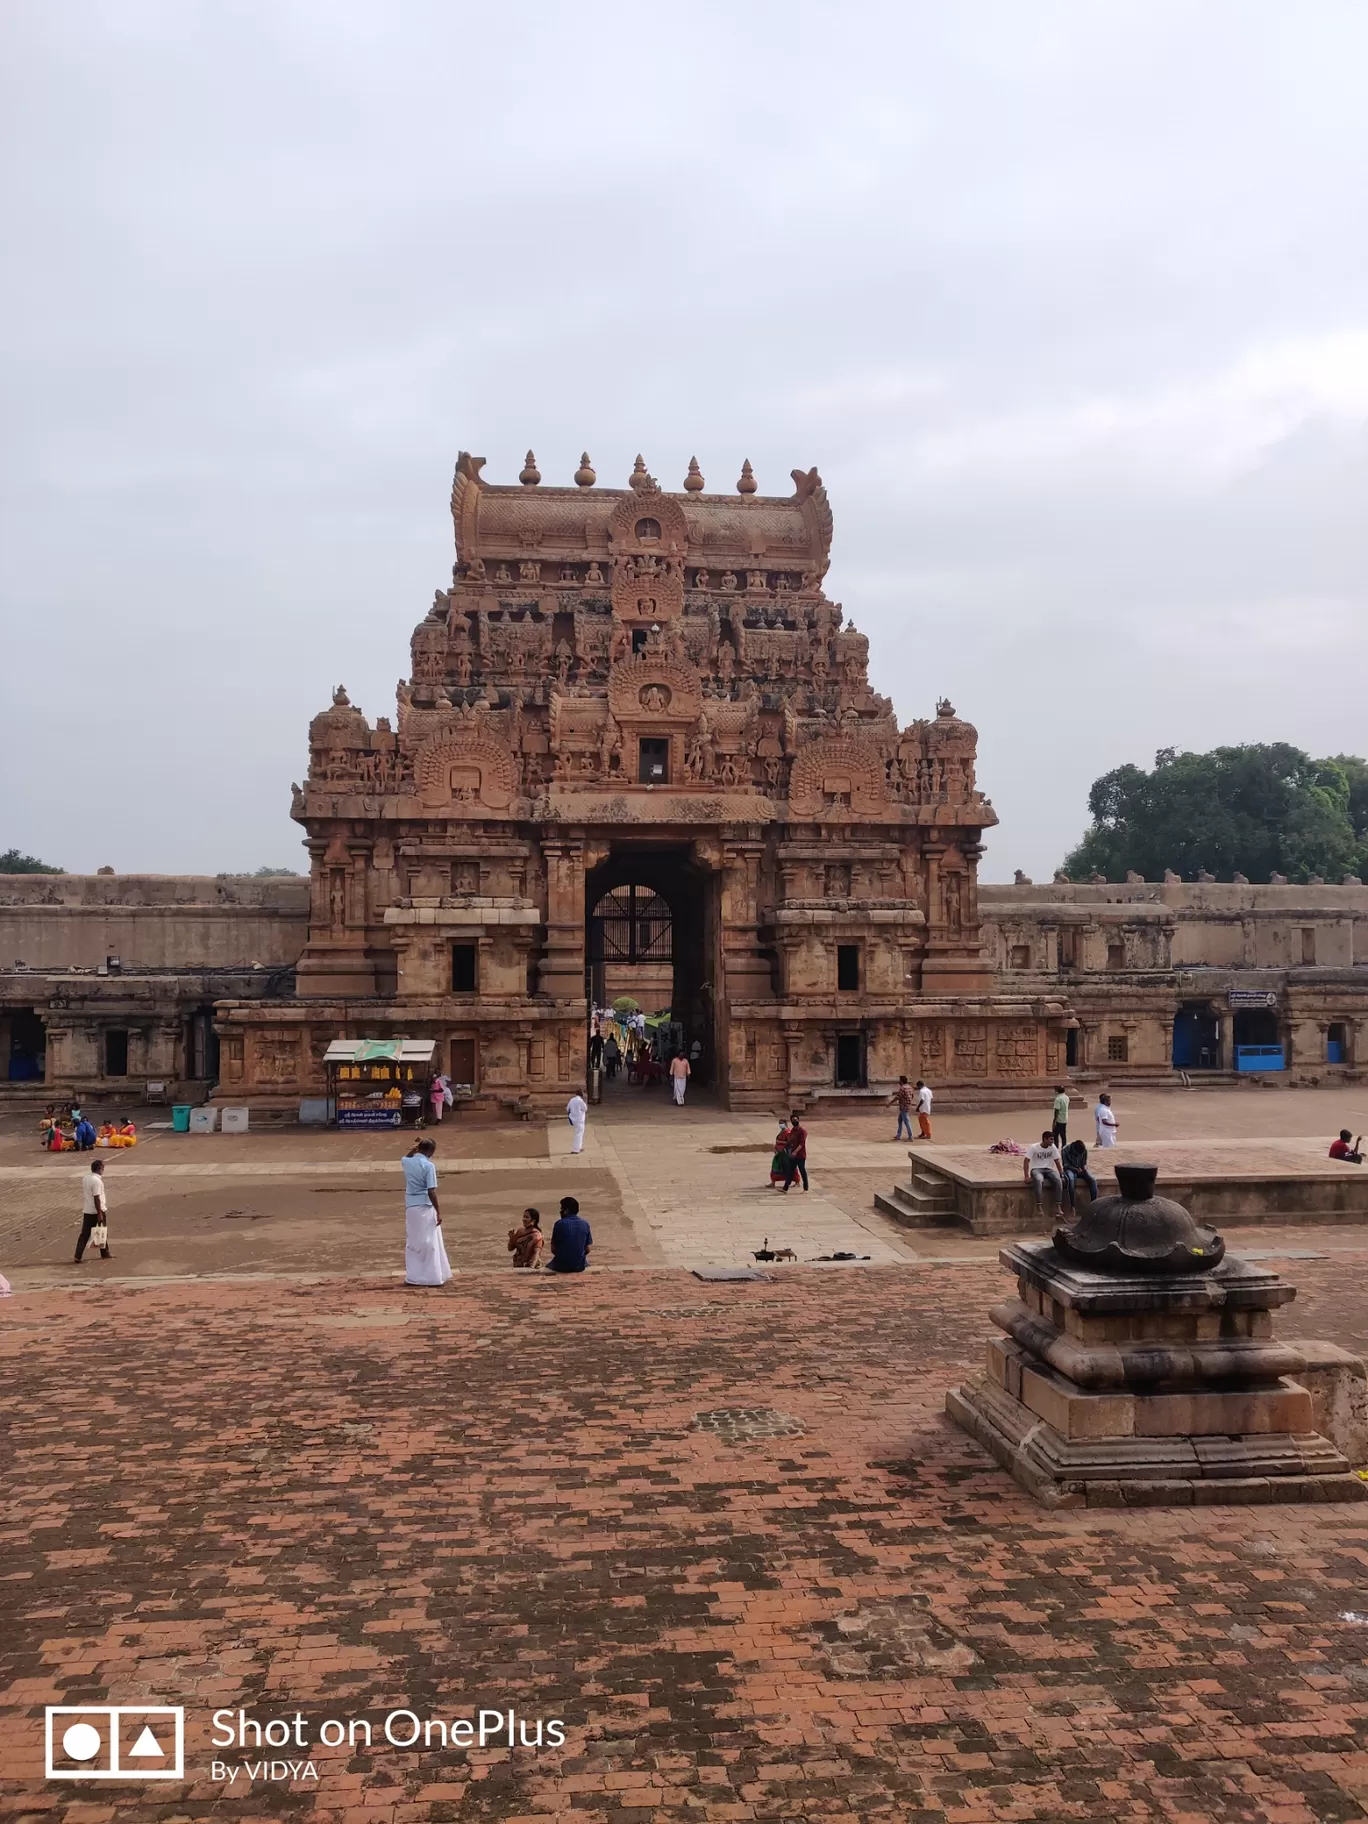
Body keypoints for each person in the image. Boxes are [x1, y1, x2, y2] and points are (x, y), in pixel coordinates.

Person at [401, 1138, 451, 1287]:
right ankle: (433, 1276)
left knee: (413, 1242)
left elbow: (407, 1157)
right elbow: (431, 1191)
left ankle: (414, 1276)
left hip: (411, 1207)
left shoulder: (407, 1162)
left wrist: (415, 1148)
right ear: (431, 1151)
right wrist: (438, 1211)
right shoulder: (429, 1166)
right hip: (425, 1206)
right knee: (430, 1242)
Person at [75, 1158, 112, 1261]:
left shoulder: (86, 1178)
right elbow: (97, 1197)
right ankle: (105, 1253)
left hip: (87, 1210)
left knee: (85, 1234)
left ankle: (78, 1255)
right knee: (102, 1230)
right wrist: (99, 1213)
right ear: (100, 1168)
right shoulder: (97, 1181)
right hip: (96, 1210)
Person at [548, 1195, 593, 1273]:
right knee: (586, 1262)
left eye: (561, 1209)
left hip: (561, 1266)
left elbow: (553, 1249)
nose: (560, 1211)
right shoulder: (585, 1224)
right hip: (579, 1266)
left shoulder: (559, 1224)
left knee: (548, 1266)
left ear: (566, 1210)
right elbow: (588, 1249)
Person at [1023, 1130, 1063, 1214]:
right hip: (1036, 1169)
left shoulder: (1052, 1147)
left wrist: (1061, 1174)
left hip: (1048, 1169)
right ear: (1045, 1139)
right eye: (1051, 1139)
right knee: (1038, 1180)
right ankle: (1039, 1205)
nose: (1053, 1141)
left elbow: (1057, 1161)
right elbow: (1026, 1160)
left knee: (1058, 1180)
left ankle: (1058, 1205)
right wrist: (1026, 1176)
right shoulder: (1034, 1147)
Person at [1061, 1138, 1099, 1211]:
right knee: (1071, 1180)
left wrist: (1083, 1169)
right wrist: (1075, 1169)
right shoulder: (1065, 1150)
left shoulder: (1084, 1150)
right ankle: (1072, 1205)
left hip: (1080, 1168)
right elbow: (1065, 1165)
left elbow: (1084, 1163)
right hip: (1070, 1169)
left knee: (1093, 1180)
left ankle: (1094, 1204)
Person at [781, 1113, 809, 1193]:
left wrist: (795, 1152)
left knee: (802, 1170)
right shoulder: (793, 1130)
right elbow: (790, 1141)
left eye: (796, 1120)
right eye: (793, 1120)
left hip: (800, 1155)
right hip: (793, 1154)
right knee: (790, 1171)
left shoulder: (802, 1131)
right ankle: (785, 1188)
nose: (794, 1121)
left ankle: (806, 1188)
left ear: (798, 1120)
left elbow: (802, 1144)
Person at [891, 1075, 914, 1141]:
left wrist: (890, 1103)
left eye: (899, 1080)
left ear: (901, 1081)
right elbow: (912, 1096)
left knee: (907, 1122)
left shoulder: (902, 1088)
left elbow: (898, 1097)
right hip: (906, 1106)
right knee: (900, 1120)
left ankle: (910, 1136)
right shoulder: (910, 1087)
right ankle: (898, 1135)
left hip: (904, 1107)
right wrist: (908, 1101)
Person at [769, 1123, 793, 1188]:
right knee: (775, 1166)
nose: (780, 1125)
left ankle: (796, 1181)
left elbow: (789, 1142)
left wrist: (780, 1142)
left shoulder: (788, 1132)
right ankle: (773, 1181)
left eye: (782, 1123)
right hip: (779, 1152)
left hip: (785, 1152)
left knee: (788, 1167)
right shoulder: (782, 1131)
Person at [567, 1088, 588, 1154]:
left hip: (573, 1119)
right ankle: (576, 1149)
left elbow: (567, 1108)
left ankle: (579, 1147)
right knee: (579, 1133)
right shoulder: (580, 1101)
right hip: (580, 1119)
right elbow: (585, 1109)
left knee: (579, 1133)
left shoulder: (572, 1100)